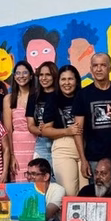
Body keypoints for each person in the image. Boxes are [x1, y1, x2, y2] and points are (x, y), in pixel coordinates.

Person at [73, 53, 111, 188]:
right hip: (95, 159)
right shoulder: (83, 95)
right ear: (91, 69)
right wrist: (83, 160)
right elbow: (78, 131)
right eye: (95, 65)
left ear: (110, 68)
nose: (99, 69)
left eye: (103, 65)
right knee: (100, 200)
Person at [42, 65, 86, 196]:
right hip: (63, 147)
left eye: (70, 79)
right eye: (63, 79)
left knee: (86, 193)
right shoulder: (53, 99)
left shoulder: (84, 96)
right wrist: (67, 131)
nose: (67, 83)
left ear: (77, 81)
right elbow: (45, 130)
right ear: (58, 81)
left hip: (86, 147)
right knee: (69, 193)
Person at [4, 61, 38, 181]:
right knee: (20, 182)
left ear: (31, 76)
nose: (21, 76)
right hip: (17, 148)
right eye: (17, 73)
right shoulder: (8, 99)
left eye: (24, 73)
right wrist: (11, 156)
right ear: (14, 76)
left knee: (37, 179)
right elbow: (8, 129)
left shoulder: (37, 96)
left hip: (36, 144)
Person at [26, 61, 58, 164]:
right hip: (41, 142)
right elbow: (30, 126)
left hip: (59, 140)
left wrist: (51, 130)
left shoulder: (60, 95)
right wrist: (43, 131)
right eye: (41, 75)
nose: (43, 78)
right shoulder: (33, 97)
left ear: (54, 76)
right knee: (41, 175)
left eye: (48, 75)